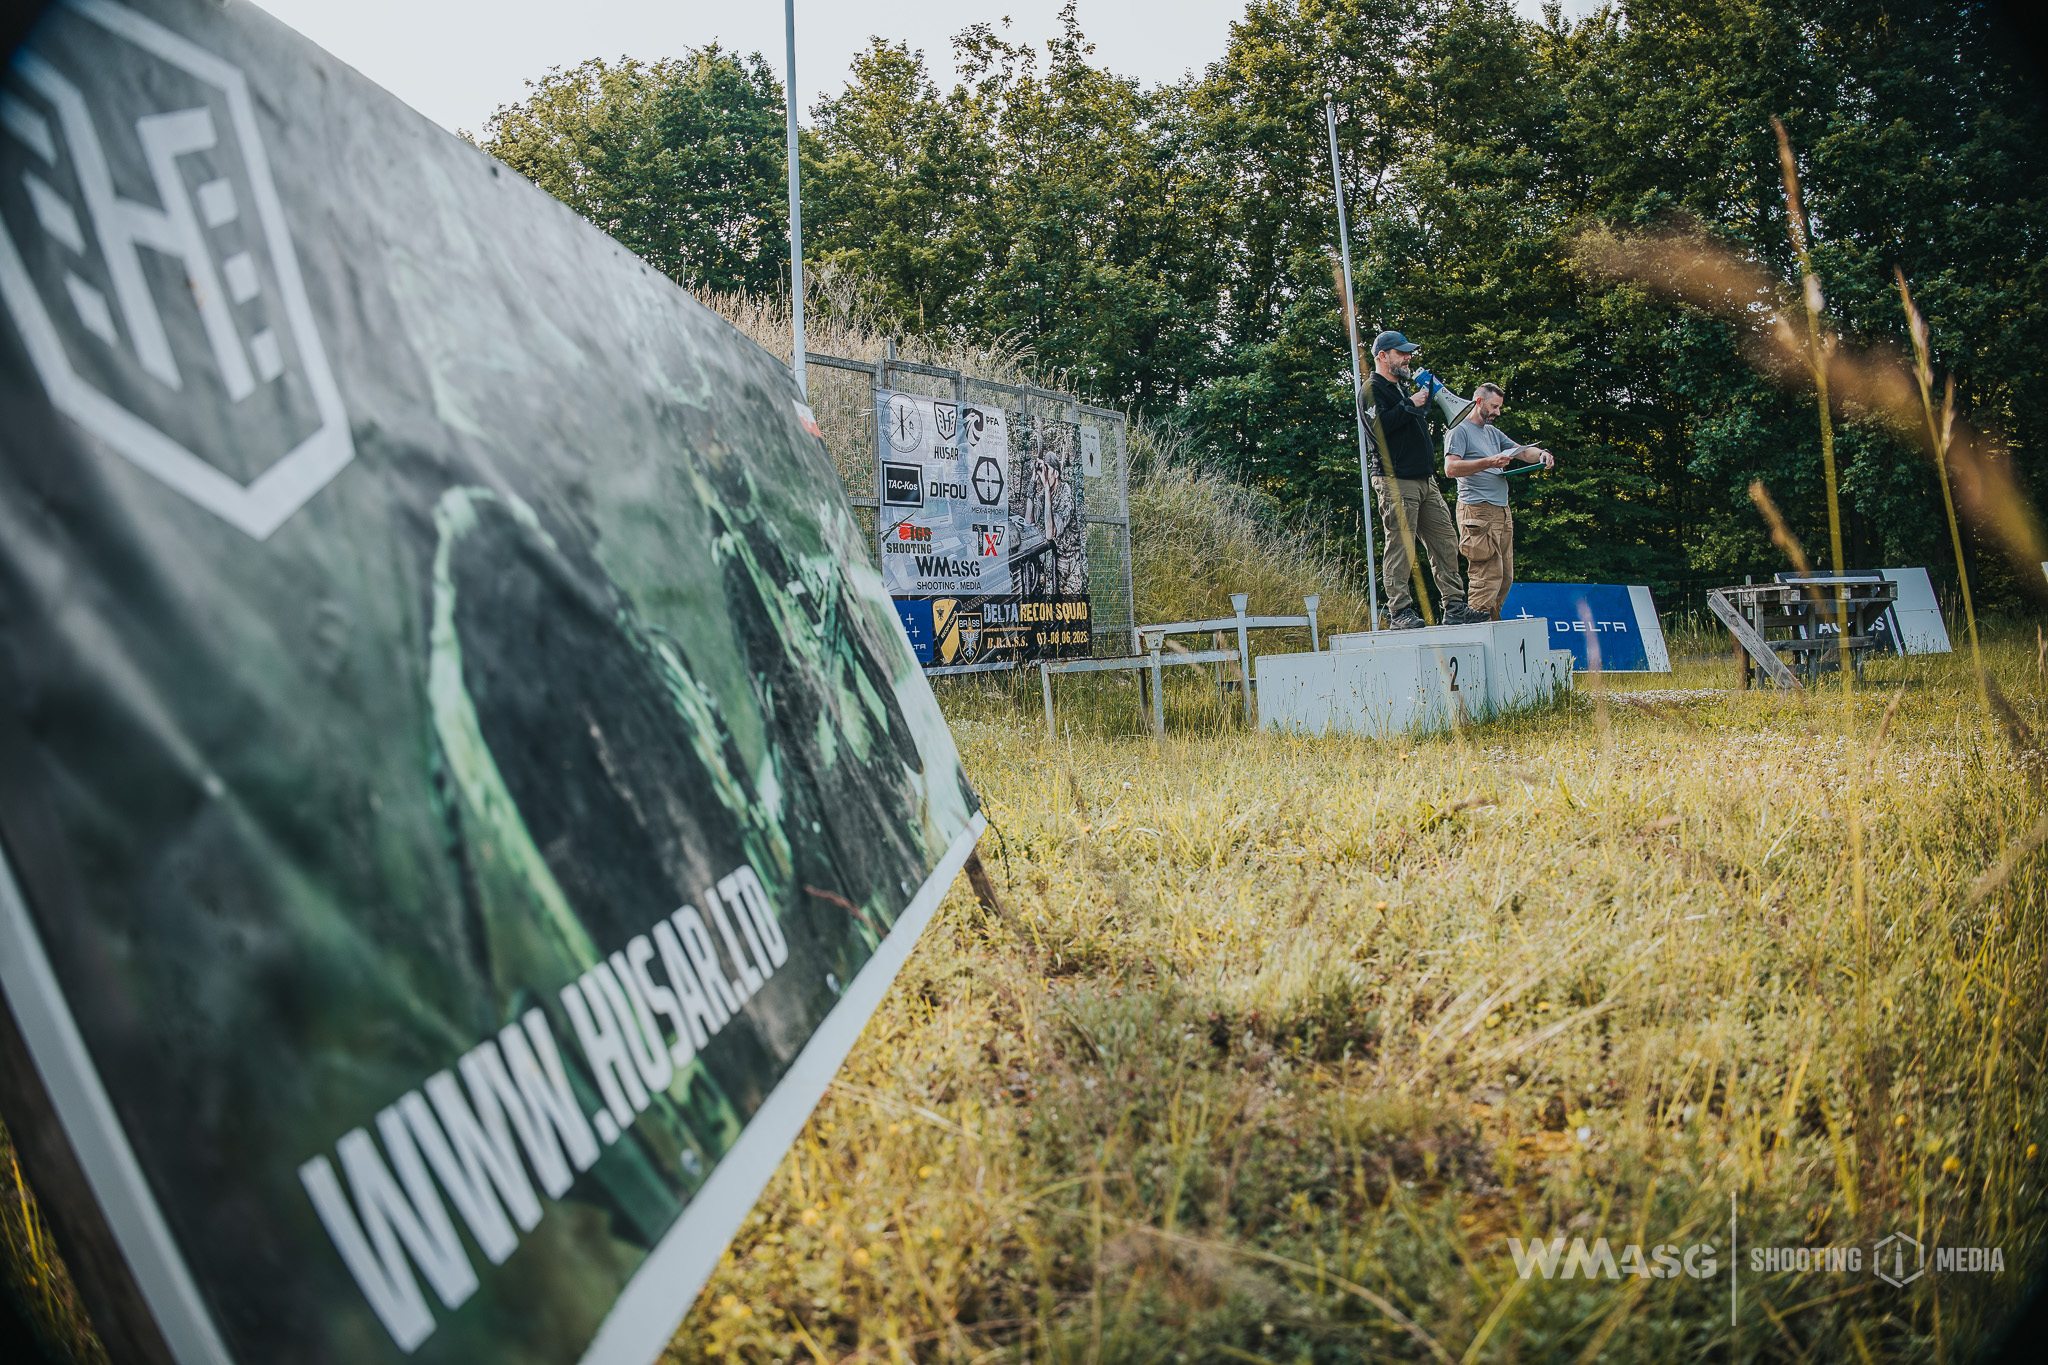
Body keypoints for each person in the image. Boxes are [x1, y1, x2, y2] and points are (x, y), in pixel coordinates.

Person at [1366, 331, 1473, 628]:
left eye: (1408, 352)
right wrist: (1409, 405)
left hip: (1425, 480)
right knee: (1401, 546)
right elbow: (1379, 430)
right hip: (1395, 480)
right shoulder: (1371, 390)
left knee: (1446, 542)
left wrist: (1420, 403)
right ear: (1382, 356)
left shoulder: (1402, 388)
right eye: (1401, 353)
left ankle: (1454, 606)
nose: (1408, 357)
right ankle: (1399, 611)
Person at [1443, 382, 1554, 621]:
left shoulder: (1491, 432)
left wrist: (1541, 454)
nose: (1497, 412)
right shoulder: (1459, 429)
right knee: (1486, 575)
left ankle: (1491, 625)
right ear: (1479, 402)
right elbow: (1450, 469)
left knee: (1505, 577)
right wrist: (1489, 462)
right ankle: (1474, 627)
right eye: (1494, 407)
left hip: (1501, 511)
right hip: (1477, 512)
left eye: (1499, 407)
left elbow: (1522, 452)